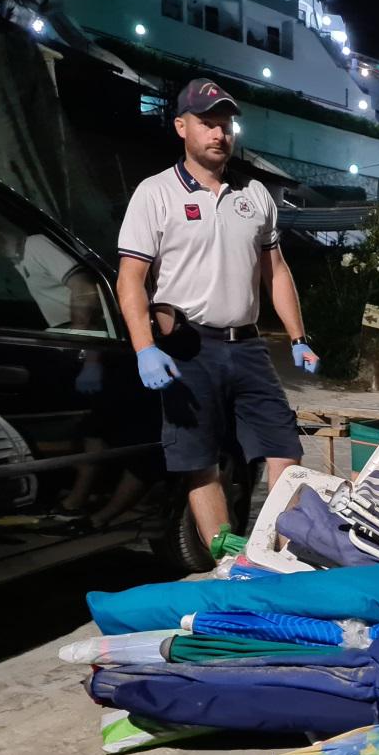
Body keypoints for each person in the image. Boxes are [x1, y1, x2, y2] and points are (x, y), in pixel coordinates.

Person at [115, 77, 319, 552]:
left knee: (284, 447)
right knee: (197, 457)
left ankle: (277, 551)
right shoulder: (156, 193)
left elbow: (276, 272)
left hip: (247, 344)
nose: (219, 134)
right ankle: (227, 557)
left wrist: (297, 338)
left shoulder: (255, 195)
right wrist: (145, 348)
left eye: (225, 125)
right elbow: (130, 279)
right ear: (181, 126)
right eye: (207, 123)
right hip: (186, 347)